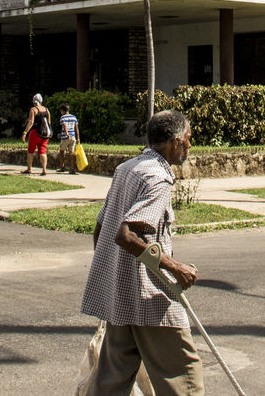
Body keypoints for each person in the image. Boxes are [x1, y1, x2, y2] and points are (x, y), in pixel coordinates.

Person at [80, 110, 202, 396]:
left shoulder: (128, 168)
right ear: (174, 142)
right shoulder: (159, 178)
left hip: (121, 299)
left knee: (111, 380)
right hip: (150, 301)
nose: (189, 145)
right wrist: (175, 267)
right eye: (187, 139)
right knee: (185, 378)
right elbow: (126, 235)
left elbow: (101, 227)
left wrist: (114, 278)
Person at [21, 93, 51, 175]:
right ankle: (44, 170)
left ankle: (29, 169)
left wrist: (25, 133)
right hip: (45, 134)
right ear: (41, 101)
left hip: (35, 133)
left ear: (34, 101)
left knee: (30, 151)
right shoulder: (46, 109)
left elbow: (31, 122)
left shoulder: (33, 109)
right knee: (43, 151)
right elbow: (49, 122)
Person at [57, 102, 80, 173]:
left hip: (65, 137)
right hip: (73, 137)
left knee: (61, 151)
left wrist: (67, 134)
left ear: (62, 110)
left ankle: (62, 167)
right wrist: (78, 138)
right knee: (72, 152)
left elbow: (64, 125)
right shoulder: (74, 117)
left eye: (61, 111)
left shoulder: (62, 117)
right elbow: (76, 128)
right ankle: (72, 168)